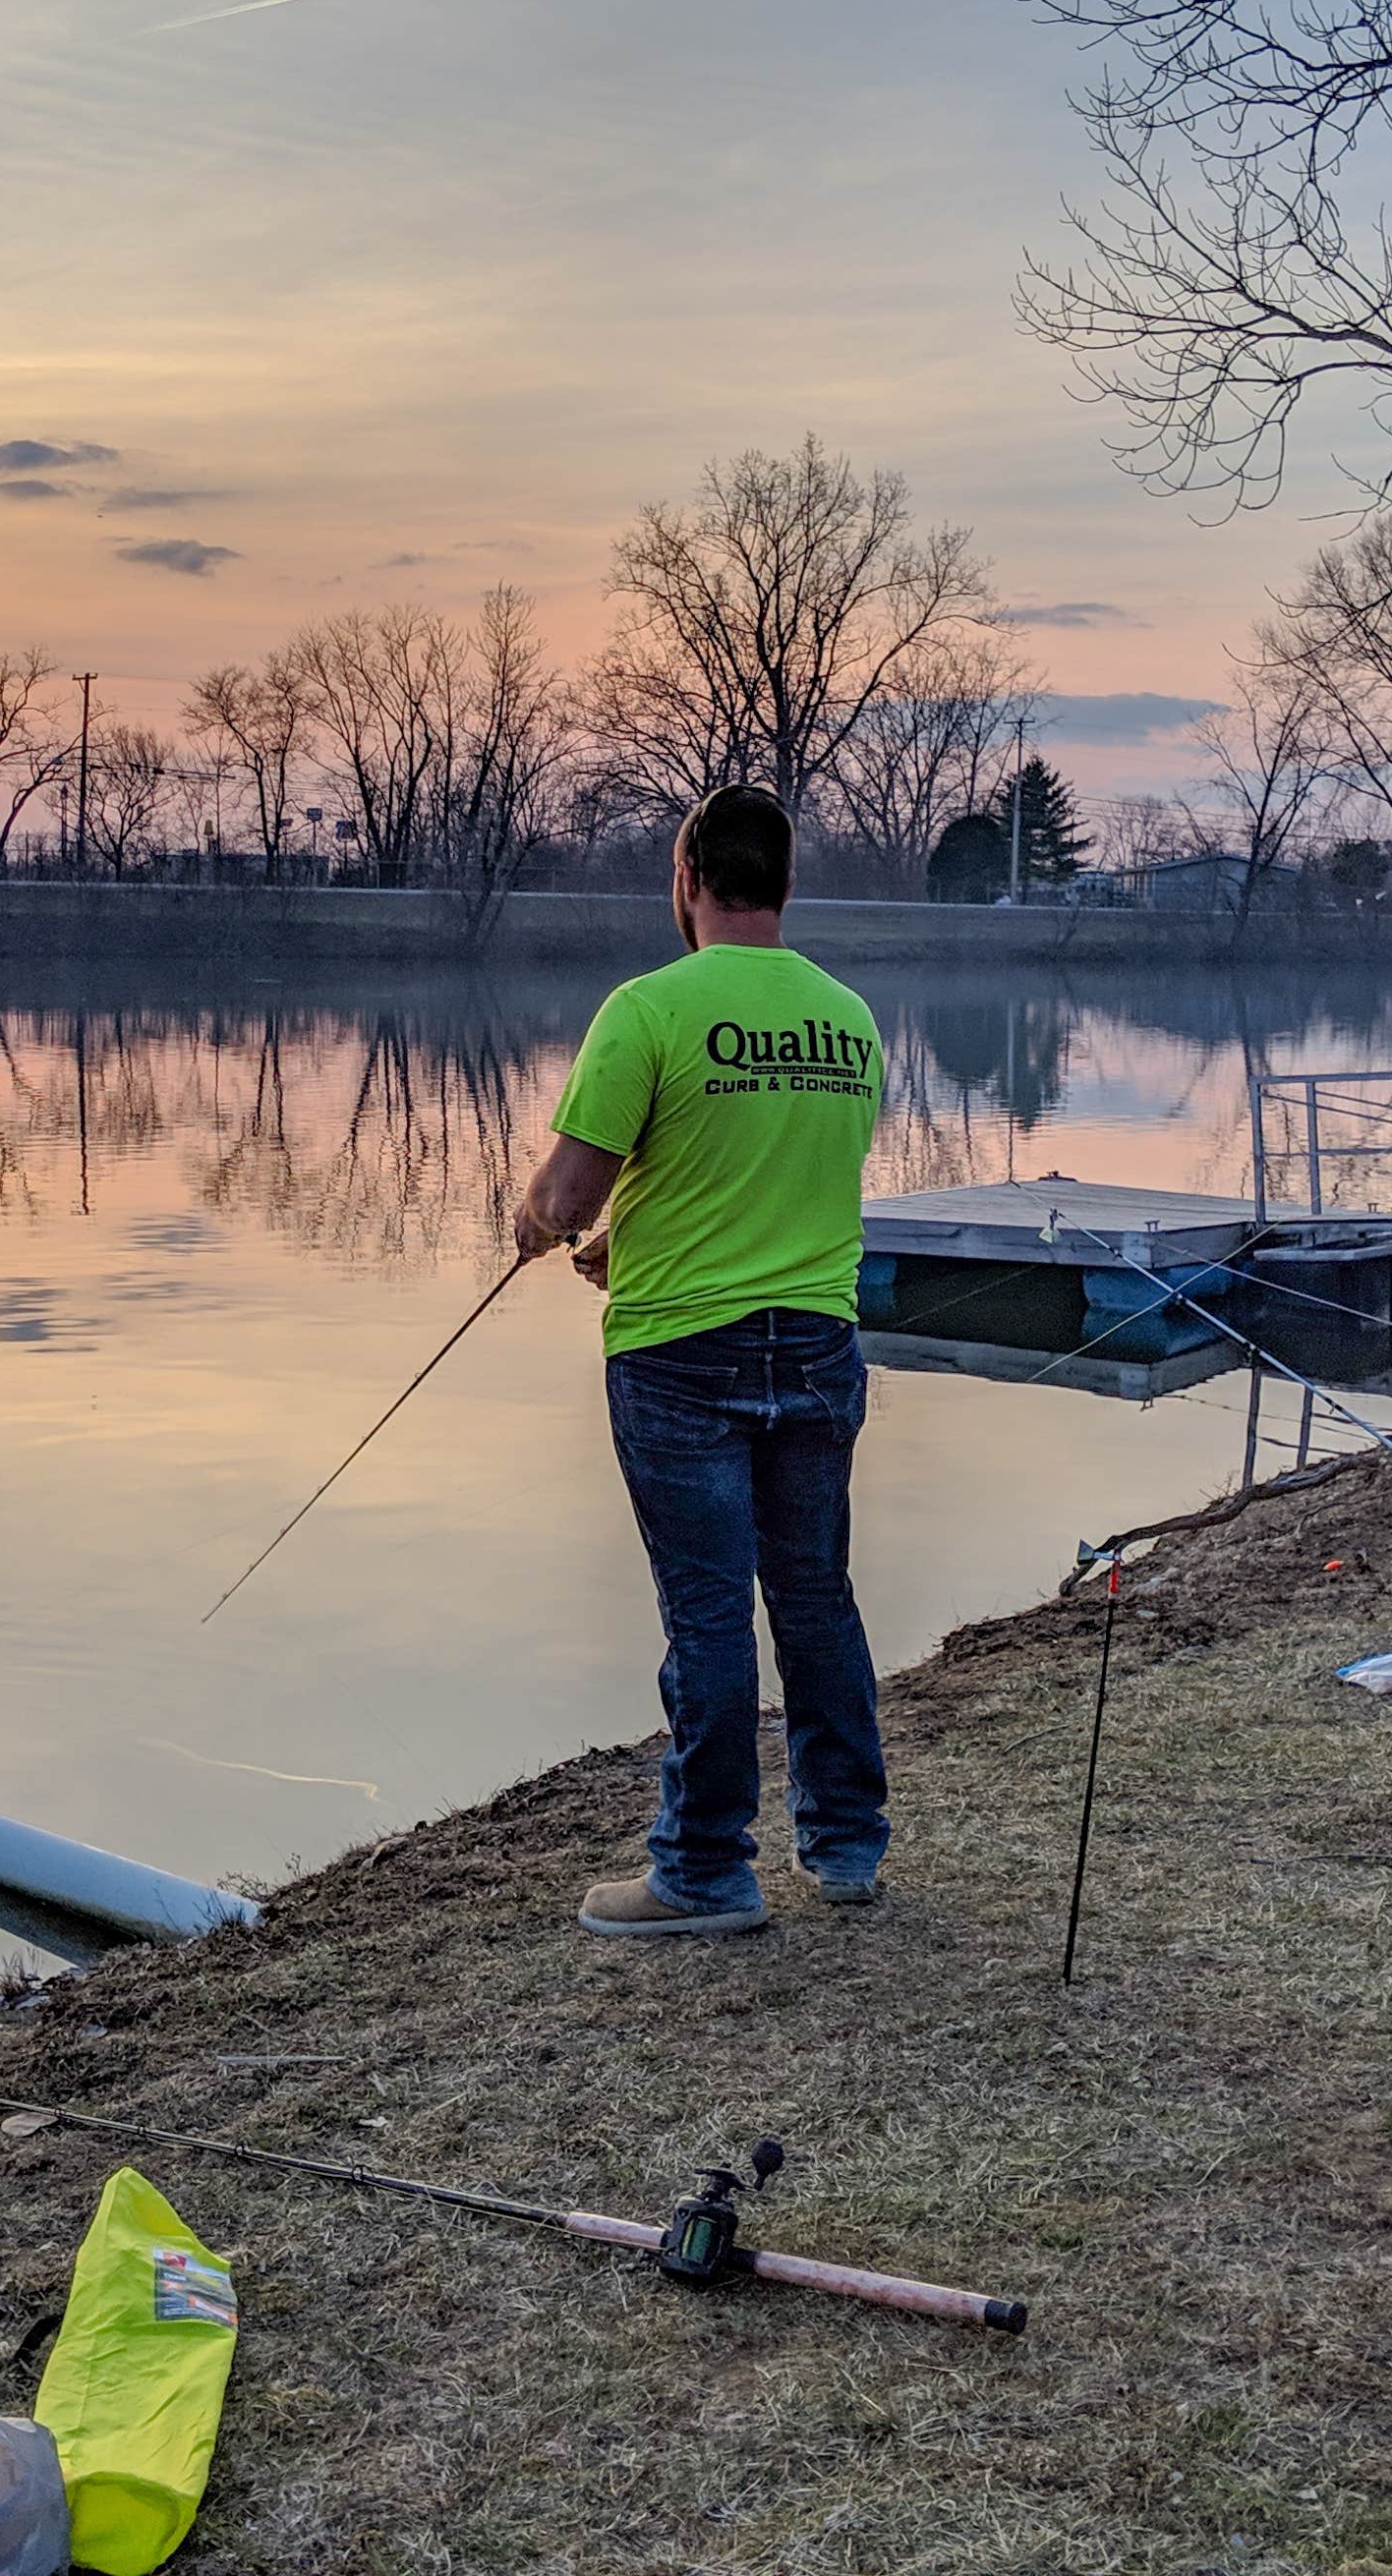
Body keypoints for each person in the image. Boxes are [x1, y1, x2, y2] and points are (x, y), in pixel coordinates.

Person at [513, 783, 889, 1937]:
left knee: (711, 1614)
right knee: (816, 1598)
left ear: (685, 879)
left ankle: (704, 1871)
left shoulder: (649, 1008)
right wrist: (635, 1235)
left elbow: (563, 1195)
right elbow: (772, 1174)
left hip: (681, 1357)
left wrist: (544, 1225)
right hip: (819, 1342)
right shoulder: (848, 1019)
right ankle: (846, 1847)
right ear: (783, 884)